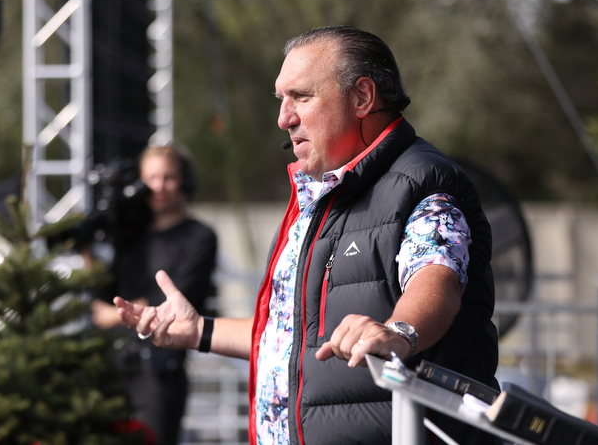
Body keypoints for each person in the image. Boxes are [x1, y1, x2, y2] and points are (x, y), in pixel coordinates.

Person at [115, 26, 500, 445]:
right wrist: (198, 332)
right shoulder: (320, 195)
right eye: (281, 100)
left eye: (300, 97)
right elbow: (292, 338)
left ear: (362, 97)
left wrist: (400, 332)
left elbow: (437, 280)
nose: (284, 118)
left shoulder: (424, 182)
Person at [91, 144, 217, 445]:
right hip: (111, 363)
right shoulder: (129, 236)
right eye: (151, 178)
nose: (159, 187)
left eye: (168, 177)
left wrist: (115, 315)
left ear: (184, 181)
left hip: (158, 367)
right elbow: (99, 295)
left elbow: (175, 303)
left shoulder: (200, 236)